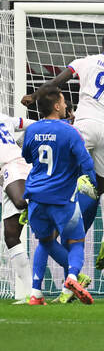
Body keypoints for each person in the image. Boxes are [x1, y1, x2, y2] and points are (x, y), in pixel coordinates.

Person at [21, 31, 104, 271]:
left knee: (56, 164)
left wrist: (34, 96)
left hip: (83, 126)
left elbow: (56, 83)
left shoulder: (84, 62)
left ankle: (32, 203)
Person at [22, 86, 96, 305]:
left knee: (45, 242)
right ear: (56, 106)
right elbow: (87, 163)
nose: (65, 105)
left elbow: (27, 156)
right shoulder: (70, 131)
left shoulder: (33, 129)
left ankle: (35, 293)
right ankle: (72, 277)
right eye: (63, 102)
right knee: (76, 242)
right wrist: (91, 181)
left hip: (36, 198)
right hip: (62, 199)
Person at [0, 112, 35, 303]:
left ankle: (40, 204)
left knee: (21, 202)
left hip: (13, 165)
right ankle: (31, 294)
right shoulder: (5, 118)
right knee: (11, 235)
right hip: (6, 173)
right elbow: (32, 124)